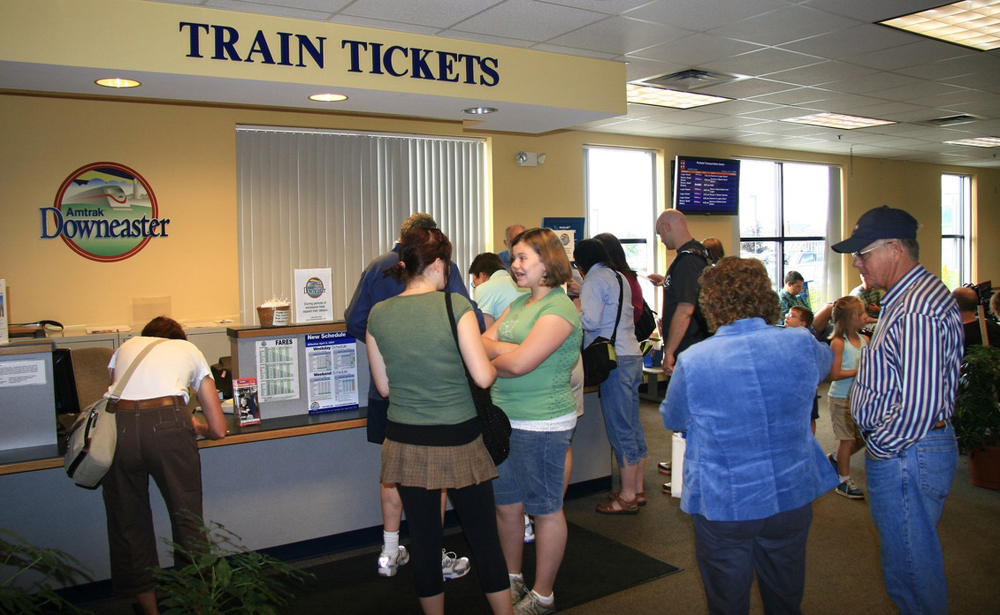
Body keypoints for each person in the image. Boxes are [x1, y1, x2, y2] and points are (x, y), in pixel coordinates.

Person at [661, 257, 836, 615]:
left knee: (728, 603)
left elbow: (674, 417)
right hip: (791, 493)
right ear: (766, 296)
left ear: (711, 302)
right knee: (786, 599)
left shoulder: (696, 359)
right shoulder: (801, 343)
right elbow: (824, 367)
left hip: (727, 501)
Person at [366, 227, 513, 615]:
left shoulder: (379, 314)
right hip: (459, 438)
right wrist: (495, 366)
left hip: (405, 439)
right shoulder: (457, 307)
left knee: (426, 543)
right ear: (437, 264)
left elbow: (383, 387)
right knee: (483, 538)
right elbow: (482, 377)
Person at [831, 205, 963, 614]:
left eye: (862, 253)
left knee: (911, 573)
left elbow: (919, 404)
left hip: (909, 452)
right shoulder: (905, 299)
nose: (856, 263)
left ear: (894, 249)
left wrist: (883, 447)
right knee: (910, 565)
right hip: (912, 450)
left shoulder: (916, 307)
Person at [345, 212, 480, 579]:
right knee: (432, 483)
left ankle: (390, 553)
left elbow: (355, 320)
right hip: (437, 395)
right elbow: (470, 319)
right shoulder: (439, 270)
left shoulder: (377, 267)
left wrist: (387, 345)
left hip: (388, 391)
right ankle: (432, 557)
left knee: (392, 474)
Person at [482, 228, 581, 615]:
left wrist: (507, 354)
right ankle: (512, 579)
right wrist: (514, 351)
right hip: (502, 418)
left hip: (542, 423)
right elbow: (481, 341)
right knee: (507, 506)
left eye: (523, 258)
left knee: (544, 509)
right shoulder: (521, 304)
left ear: (548, 262)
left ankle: (543, 595)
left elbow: (522, 364)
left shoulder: (560, 308)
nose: (514, 264)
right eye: (514, 257)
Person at [101, 316, 227, 615]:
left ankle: (149, 610)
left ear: (147, 336)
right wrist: (198, 428)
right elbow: (219, 428)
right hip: (169, 424)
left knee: (128, 522)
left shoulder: (125, 347)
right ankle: (198, 606)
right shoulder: (189, 350)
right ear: (179, 337)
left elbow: (114, 394)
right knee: (186, 518)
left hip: (119, 430)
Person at [574, 239, 646, 514]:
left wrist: (569, 311)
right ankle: (637, 489)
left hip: (612, 359)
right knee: (633, 424)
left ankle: (626, 497)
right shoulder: (620, 276)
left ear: (582, 262)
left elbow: (590, 321)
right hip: (631, 354)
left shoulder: (593, 280)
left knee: (619, 427)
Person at [647, 210, 712, 490]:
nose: (661, 239)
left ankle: (687, 476)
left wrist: (669, 351)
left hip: (690, 347)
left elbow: (685, 310)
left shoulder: (687, 260)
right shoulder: (701, 255)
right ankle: (685, 467)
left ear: (668, 226)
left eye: (660, 233)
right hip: (699, 345)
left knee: (689, 413)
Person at [825, 296, 868, 499]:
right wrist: (859, 370)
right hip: (841, 398)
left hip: (861, 398)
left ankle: (835, 458)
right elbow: (834, 374)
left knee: (861, 438)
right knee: (847, 440)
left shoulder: (865, 340)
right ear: (849, 319)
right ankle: (842, 480)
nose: (866, 317)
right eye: (861, 314)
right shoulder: (838, 343)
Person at [783, 305, 822, 434]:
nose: (787, 317)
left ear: (802, 324)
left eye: (792, 316)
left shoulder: (809, 340)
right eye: (788, 314)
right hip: (789, 386)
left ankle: (811, 443)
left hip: (806, 386)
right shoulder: (781, 338)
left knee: (810, 417)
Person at [470, 252, 528, 329]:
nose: (475, 286)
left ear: (482, 276)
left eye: (474, 282)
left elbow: (486, 331)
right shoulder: (525, 284)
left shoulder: (484, 288)